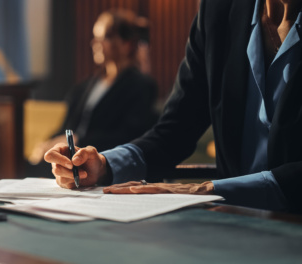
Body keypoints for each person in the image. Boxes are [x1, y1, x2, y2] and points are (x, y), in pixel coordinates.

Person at [44, 0, 302, 214]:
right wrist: (104, 165)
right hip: (230, 224)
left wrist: (206, 190)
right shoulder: (217, 10)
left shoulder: (136, 84)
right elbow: (175, 130)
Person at [28, 9, 159, 165]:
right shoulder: (85, 86)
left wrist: (79, 140)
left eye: (105, 37)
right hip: (71, 156)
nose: (95, 43)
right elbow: (66, 127)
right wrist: (47, 144)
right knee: (30, 164)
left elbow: (129, 136)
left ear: (127, 44)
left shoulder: (141, 86)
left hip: (102, 162)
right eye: (96, 37)